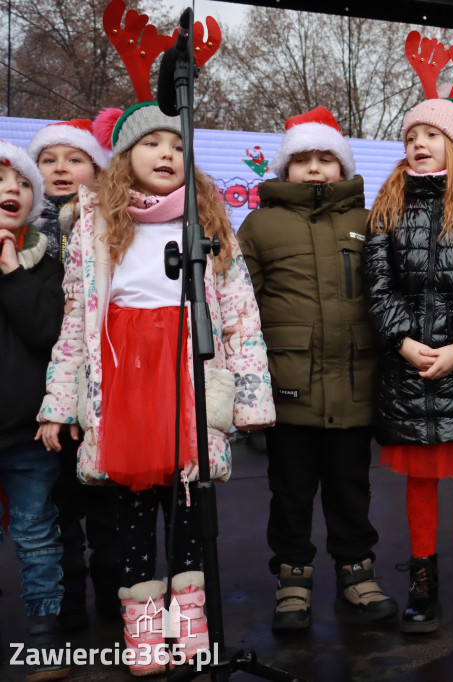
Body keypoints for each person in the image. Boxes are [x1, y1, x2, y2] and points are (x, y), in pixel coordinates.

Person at [36, 103, 275, 674]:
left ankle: (189, 619)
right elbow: (76, 321)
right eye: (151, 144)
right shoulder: (94, 223)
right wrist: (59, 403)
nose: (166, 153)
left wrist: (251, 398)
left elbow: (240, 313)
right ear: (124, 159)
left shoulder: (208, 224)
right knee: (131, 508)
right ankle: (144, 624)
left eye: (176, 145)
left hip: (187, 371)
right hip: (122, 378)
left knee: (189, 500)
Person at [364, 31, 453, 633]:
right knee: (421, 482)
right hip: (407, 369)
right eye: (411, 137)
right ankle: (421, 580)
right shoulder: (386, 209)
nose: (419, 144)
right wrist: (402, 341)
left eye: (432, 135)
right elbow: (377, 287)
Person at [237, 106, 398, 631]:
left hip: (355, 383)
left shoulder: (367, 220)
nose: (313, 169)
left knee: (351, 485)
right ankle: (292, 579)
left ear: (343, 166)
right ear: (283, 170)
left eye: (325, 158)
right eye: (301, 160)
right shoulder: (260, 224)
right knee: (290, 491)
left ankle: (357, 571)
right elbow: (240, 303)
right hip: (289, 386)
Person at [28, 118, 121, 630]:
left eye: (74, 158)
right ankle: (66, 608)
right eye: (48, 159)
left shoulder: (112, 225)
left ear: (97, 168)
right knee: (55, 513)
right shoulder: (23, 233)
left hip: (100, 391)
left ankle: (114, 604)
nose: (61, 168)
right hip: (37, 397)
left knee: (107, 509)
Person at [0, 139, 70, 681]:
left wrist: (11, 274)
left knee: (37, 533)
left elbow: (50, 331)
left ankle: (46, 634)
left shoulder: (46, 260)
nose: (14, 190)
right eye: (3, 181)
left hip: (27, 431)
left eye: (25, 182)